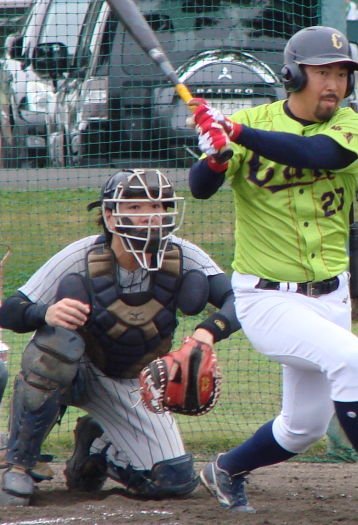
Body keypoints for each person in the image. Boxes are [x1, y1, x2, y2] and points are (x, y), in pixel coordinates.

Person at [187, 25, 358, 515]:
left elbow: (316, 154)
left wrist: (236, 133)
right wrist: (217, 155)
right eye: (323, 72)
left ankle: (225, 469)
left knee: (303, 427)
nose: (334, 84)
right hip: (267, 297)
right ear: (292, 75)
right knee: (349, 358)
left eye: (342, 74)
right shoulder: (250, 121)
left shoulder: (351, 126)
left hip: (331, 296)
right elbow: (200, 187)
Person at [0, 168, 240, 506]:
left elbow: (238, 301)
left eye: (158, 206)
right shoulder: (80, 255)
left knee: (174, 480)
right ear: (110, 216)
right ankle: (20, 463)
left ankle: (98, 448)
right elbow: (10, 310)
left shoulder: (183, 254)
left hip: (133, 382)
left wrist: (206, 333)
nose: (150, 216)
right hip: (77, 371)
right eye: (137, 207)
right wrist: (45, 313)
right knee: (56, 345)